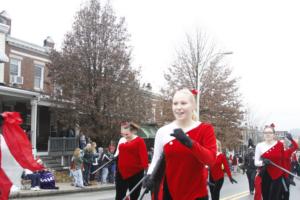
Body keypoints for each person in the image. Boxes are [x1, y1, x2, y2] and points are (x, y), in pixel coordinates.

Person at [144, 88, 217, 200]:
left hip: (196, 194)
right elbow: (156, 159)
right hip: (169, 193)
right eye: (175, 103)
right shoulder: (163, 131)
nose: (178, 107)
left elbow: (210, 160)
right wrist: (149, 175)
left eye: (183, 103)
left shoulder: (205, 129)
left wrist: (190, 143)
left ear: (193, 106)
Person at [114, 121, 148, 200]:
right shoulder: (122, 140)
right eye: (123, 134)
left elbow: (144, 157)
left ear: (132, 131)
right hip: (121, 173)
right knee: (119, 196)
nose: (125, 136)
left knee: (134, 196)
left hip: (136, 173)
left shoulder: (139, 141)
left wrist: (147, 172)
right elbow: (117, 155)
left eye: (126, 134)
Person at [254, 124, 284, 200]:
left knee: (275, 197)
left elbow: (283, 161)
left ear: (273, 134)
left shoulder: (280, 145)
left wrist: (287, 177)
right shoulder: (259, 146)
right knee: (266, 196)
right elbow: (256, 162)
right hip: (265, 174)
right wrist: (263, 162)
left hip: (278, 175)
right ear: (263, 134)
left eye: (270, 132)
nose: (268, 134)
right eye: (266, 133)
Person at [282, 133, 298, 200]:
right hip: (277, 176)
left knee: (286, 192)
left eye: (284, 144)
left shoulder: (287, 152)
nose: (283, 145)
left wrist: (291, 139)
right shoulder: (276, 153)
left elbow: (296, 147)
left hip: (286, 176)